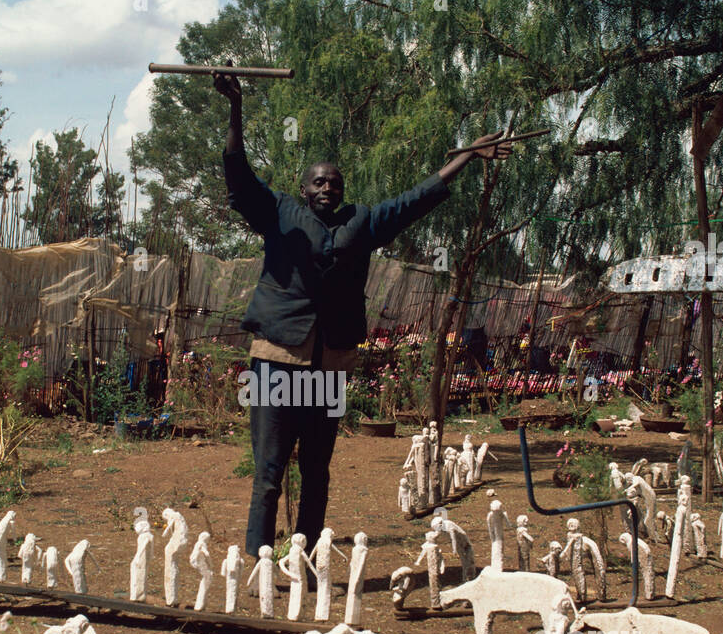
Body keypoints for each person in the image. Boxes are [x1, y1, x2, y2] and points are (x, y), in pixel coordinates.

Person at [214, 66, 514, 556]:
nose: (327, 187)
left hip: (329, 366)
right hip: (275, 363)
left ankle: (306, 560)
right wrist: (235, 109)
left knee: (317, 470)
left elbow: (414, 201)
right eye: (318, 182)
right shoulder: (279, 212)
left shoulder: (364, 222)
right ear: (304, 188)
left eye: (334, 182)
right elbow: (238, 174)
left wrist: (465, 157)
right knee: (269, 472)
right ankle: (259, 564)